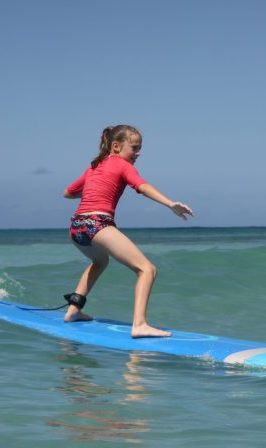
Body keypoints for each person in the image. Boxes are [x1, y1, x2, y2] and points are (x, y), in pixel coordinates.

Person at [62, 125, 194, 337]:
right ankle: (139, 325)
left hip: (77, 227)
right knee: (147, 270)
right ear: (116, 146)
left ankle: (73, 310)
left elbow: (67, 193)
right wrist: (170, 204)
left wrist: (95, 187)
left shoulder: (94, 166)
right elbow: (142, 187)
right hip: (98, 223)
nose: (138, 152)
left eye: (140, 148)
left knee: (100, 262)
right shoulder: (123, 165)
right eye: (134, 147)